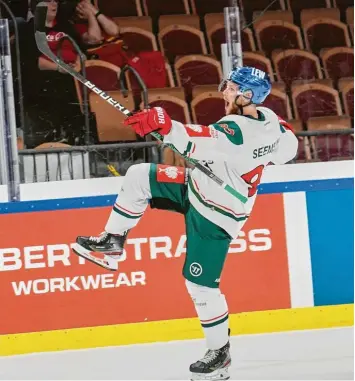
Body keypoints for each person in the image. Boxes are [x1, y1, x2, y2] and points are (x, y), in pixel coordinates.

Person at [72, 66, 299, 381]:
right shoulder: (273, 123)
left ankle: (219, 354)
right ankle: (112, 243)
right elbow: (289, 150)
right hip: (197, 186)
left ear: (247, 96)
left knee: (200, 286)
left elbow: (198, 140)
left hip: (218, 214)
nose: (224, 91)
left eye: (231, 87)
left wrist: (164, 124)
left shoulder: (236, 128)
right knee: (140, 176)